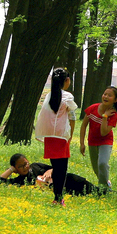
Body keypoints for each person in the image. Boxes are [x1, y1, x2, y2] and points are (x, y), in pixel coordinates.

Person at [33, 68, 78, 206]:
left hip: (50, 137)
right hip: (61, 136)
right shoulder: (67, 96)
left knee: (56, 167)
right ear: (67, 81)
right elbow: (72, 117)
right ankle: (58, 198)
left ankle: (57, 197)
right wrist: (70, 136)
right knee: (61, 170)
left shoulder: (49, 95)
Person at [79, 86, 117, 193]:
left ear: (116, 100)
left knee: (102, 163)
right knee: (96, 169)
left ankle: (104, 190)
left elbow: (103, 132)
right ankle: (106, 183)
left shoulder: (113, 115)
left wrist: (105, 117)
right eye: (105, 94)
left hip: (105, 142)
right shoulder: (92, 108)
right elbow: (84, 125)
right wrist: (82, 143)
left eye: (109, 95)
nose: (106, 97)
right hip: (92, 142)